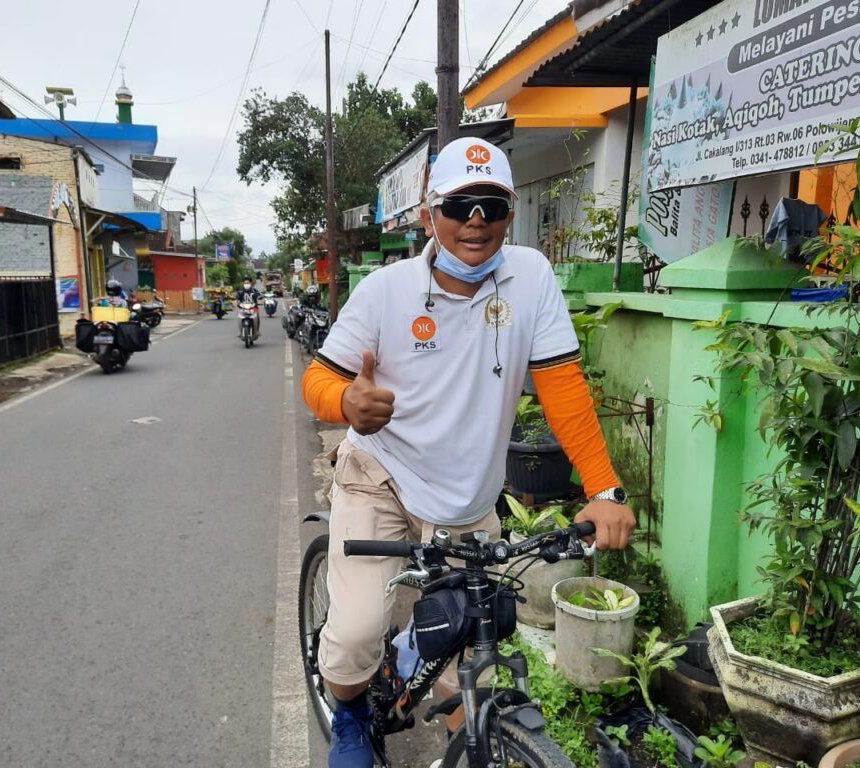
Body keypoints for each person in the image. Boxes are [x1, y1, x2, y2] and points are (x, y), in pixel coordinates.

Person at [301, 137, 636, 767]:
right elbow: (318, 379)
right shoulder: (385, 290)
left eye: (491, 204)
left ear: (510, 213)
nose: (475, 220)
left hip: (464, 496)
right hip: (380, 474)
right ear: (430, 215)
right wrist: (346, 403)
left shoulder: (531, 277)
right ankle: (348, 719)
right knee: (354, 637)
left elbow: (563, 388)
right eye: (459, 205)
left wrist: (604, 489)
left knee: (469, 651)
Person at [236, 275, 262, 340]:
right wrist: (237, 303)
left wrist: (259, 301)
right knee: (239, 317)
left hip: (253, 308)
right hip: (243, 308)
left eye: (247, 283)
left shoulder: (254, 291)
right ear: (243, 284)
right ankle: (240, 331)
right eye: (245, 283)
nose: (246, 284)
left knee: (257, 317)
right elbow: (237, 299)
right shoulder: (240, 291)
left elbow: (259, 297)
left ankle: (257, 331)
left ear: (250, 283)